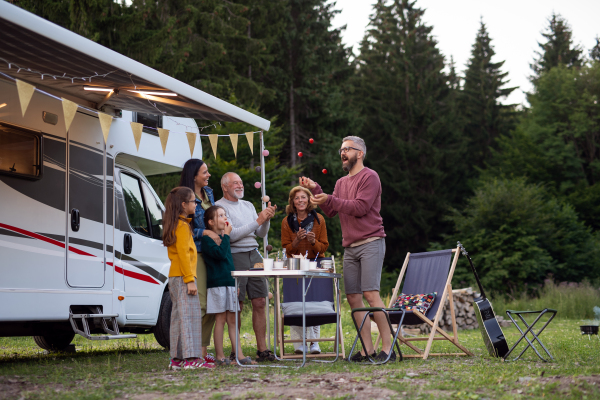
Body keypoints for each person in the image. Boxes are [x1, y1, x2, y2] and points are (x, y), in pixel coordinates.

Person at [300, 135, 393, 362]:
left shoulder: (370, 177)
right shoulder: (341, 183)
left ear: (359, 153)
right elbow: (332, 210)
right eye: (341, 149)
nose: (343, 153)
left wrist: (329, 197)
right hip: (350, 247)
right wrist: (316, 189)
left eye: (347, 149)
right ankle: (368, 349)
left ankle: (388, 348)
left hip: (371, 241)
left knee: (371, 294)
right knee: (353, 298)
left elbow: (360, 207)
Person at [215, 172, 278, 362]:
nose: (240, 185)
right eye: (235, 183)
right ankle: (236, 351)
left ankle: (262, 350)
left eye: (241, 182)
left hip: (254, 254)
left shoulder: (248, 205)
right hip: (235, 254)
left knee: (260, 300)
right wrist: (258, 221)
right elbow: (232, 235)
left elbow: (260, 233)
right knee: (238, 304)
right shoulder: (219, 207)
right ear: (225, 186)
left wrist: (265, 220)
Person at [162, 186, 214, 370]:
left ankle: (176, 359)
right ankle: (191, 359)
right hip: (184, 277)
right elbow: (185, 255)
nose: (196, 204)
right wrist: (190, 279)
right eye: (193, 201)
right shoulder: (182, 226)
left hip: (176, 276)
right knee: (190, 317)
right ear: (184, 205)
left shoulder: (177, 223)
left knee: (178, 318)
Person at [179, 159, 220, 364]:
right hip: (198, 254)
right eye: (205, 172)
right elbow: (180, 227)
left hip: (213, 252)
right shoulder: (184, 197)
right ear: (194, 175)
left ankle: (203, 352)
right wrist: (203, 231)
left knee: (213, 304)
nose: (208, 175)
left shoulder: (209, 193)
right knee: (202, 304)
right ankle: (194, 351)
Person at [202, 206, 255, 365]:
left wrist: (235, 282)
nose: (225, 217)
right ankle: (220, 356)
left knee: (233, 319)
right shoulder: (207, 240)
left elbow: (229, 262)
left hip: (230, 282)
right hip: (217, 285)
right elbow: (219, 255)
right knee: (221, 319)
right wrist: (227, 237)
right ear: (211, 222)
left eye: (225, 214)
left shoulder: (225, 238)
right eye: (220, 215)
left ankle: (239, 355)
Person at [280, 186, 329, 354]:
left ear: (309, 200)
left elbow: (324, 247)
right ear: (292, 202)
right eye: (296, 198)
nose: (300, 200)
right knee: (295, 303)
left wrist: (314, 242)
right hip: (294, 267)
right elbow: (286, 249)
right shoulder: (287, 222)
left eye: (303, 197)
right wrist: (296, 241)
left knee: (314, 302)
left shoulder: (319, 220)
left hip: (314, 265)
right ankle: (298, 343)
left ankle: (314, 342)